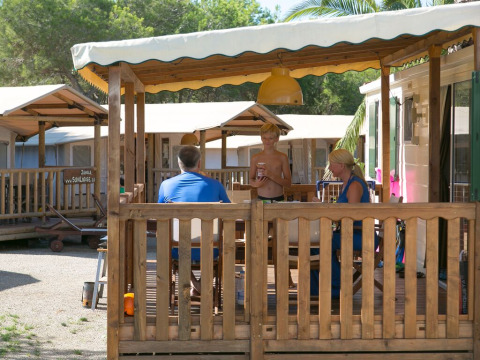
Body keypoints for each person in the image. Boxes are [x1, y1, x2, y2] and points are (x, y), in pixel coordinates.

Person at [158, 145, 231, 295]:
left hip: (177, 249)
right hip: (211, 248)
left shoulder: (166, 185)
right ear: (199, 164)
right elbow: (229, 212)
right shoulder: (216, 185)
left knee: (175, 243)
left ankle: (196, 285)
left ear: (179, 163)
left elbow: (160, 215)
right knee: (218, 244)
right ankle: (200, 286)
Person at [310, 148, 377, 298]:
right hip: (349, 232)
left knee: (318, 244)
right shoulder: (345, 184)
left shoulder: (354, 185)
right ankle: (317, 291)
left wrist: (324, 209)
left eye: (332, 164)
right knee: (314, 244)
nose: (329, 168)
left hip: (361, 235)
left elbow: (349, 216)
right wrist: (324, 206)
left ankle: (336, 288)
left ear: (341, 165)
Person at [249, 123, 292, 202]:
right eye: (264, 138)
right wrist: (256, 184)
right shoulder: (255, 158)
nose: (267, 140)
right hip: (261, 199)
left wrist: (271, 175)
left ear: (277, 139)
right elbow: (251, 180)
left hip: (279, 199)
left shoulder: (282, 157)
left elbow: (288, 183)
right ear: (261, 138)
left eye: (270, 138)